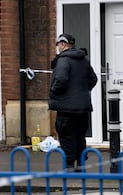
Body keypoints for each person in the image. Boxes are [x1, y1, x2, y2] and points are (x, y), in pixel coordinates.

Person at [49, 33, 97, 171]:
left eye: (58, 44)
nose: (58, 47)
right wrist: (82, 91)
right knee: (80, 136)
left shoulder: (63, 60)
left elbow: (61, 80)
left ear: (63, 44)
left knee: (66, 137)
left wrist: (54, 92)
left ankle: (69, 167)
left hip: (66, 108)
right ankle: (81, 166)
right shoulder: (84, 59)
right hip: (82, 107)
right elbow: (93, 79)